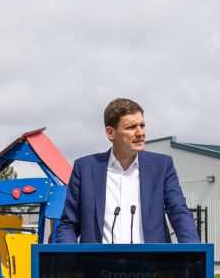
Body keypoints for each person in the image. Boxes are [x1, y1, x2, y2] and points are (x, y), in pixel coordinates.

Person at [55, 98, 199, 244]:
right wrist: (68, 260)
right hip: (96, 264)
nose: (140, 133)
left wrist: (195, 256)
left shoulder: (162, 166)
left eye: (142, 125)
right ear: (111, 133)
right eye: (131, 127)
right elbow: (68, 225)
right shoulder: (84, 168)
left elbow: (179, 213)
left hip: (152, 264)